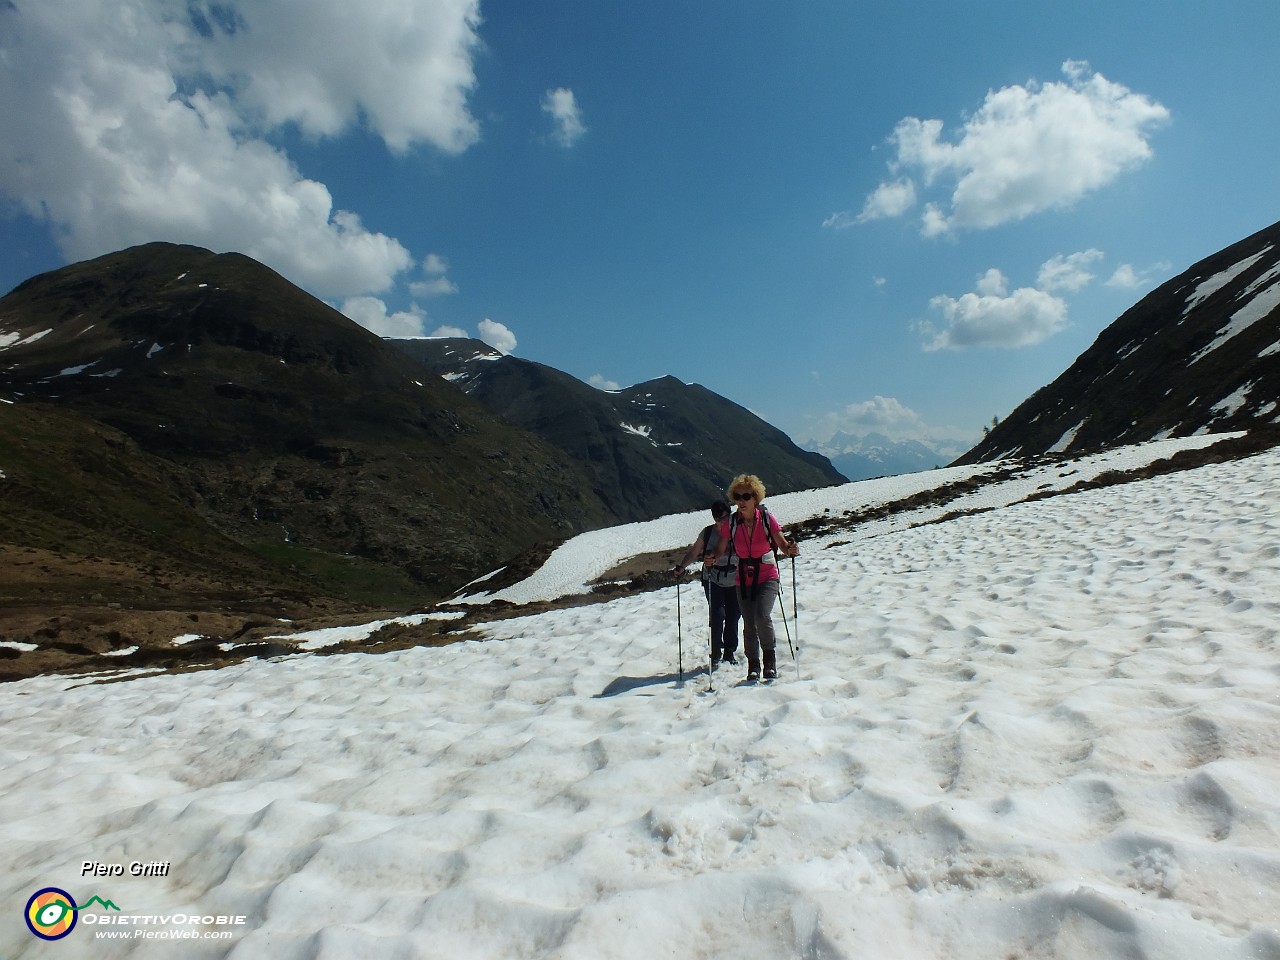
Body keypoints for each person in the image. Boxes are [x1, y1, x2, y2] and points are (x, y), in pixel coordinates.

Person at [707, 474, 799, 682]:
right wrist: (712, 557)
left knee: (761, 616)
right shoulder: (732, 523)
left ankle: (769, 661)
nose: (741, 501)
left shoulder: (767, 519)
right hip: (743, 579)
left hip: (767, 575)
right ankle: (754, 666)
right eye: (738, 496)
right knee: (749, 623)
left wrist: (791, 549)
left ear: (755, 498)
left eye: (746, 496)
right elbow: (721, 547)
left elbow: (783, 546)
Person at [673, 501, 741, 667]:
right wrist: (682, 567)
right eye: (718, 519)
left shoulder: (738, 530)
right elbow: (694, 552)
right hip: (713, 577)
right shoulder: (708, 533)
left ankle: (729, 652)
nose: (721, 522)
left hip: (735, 578)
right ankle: (717, 651)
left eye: (724, 518)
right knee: (718, 615)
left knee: (733, 616)